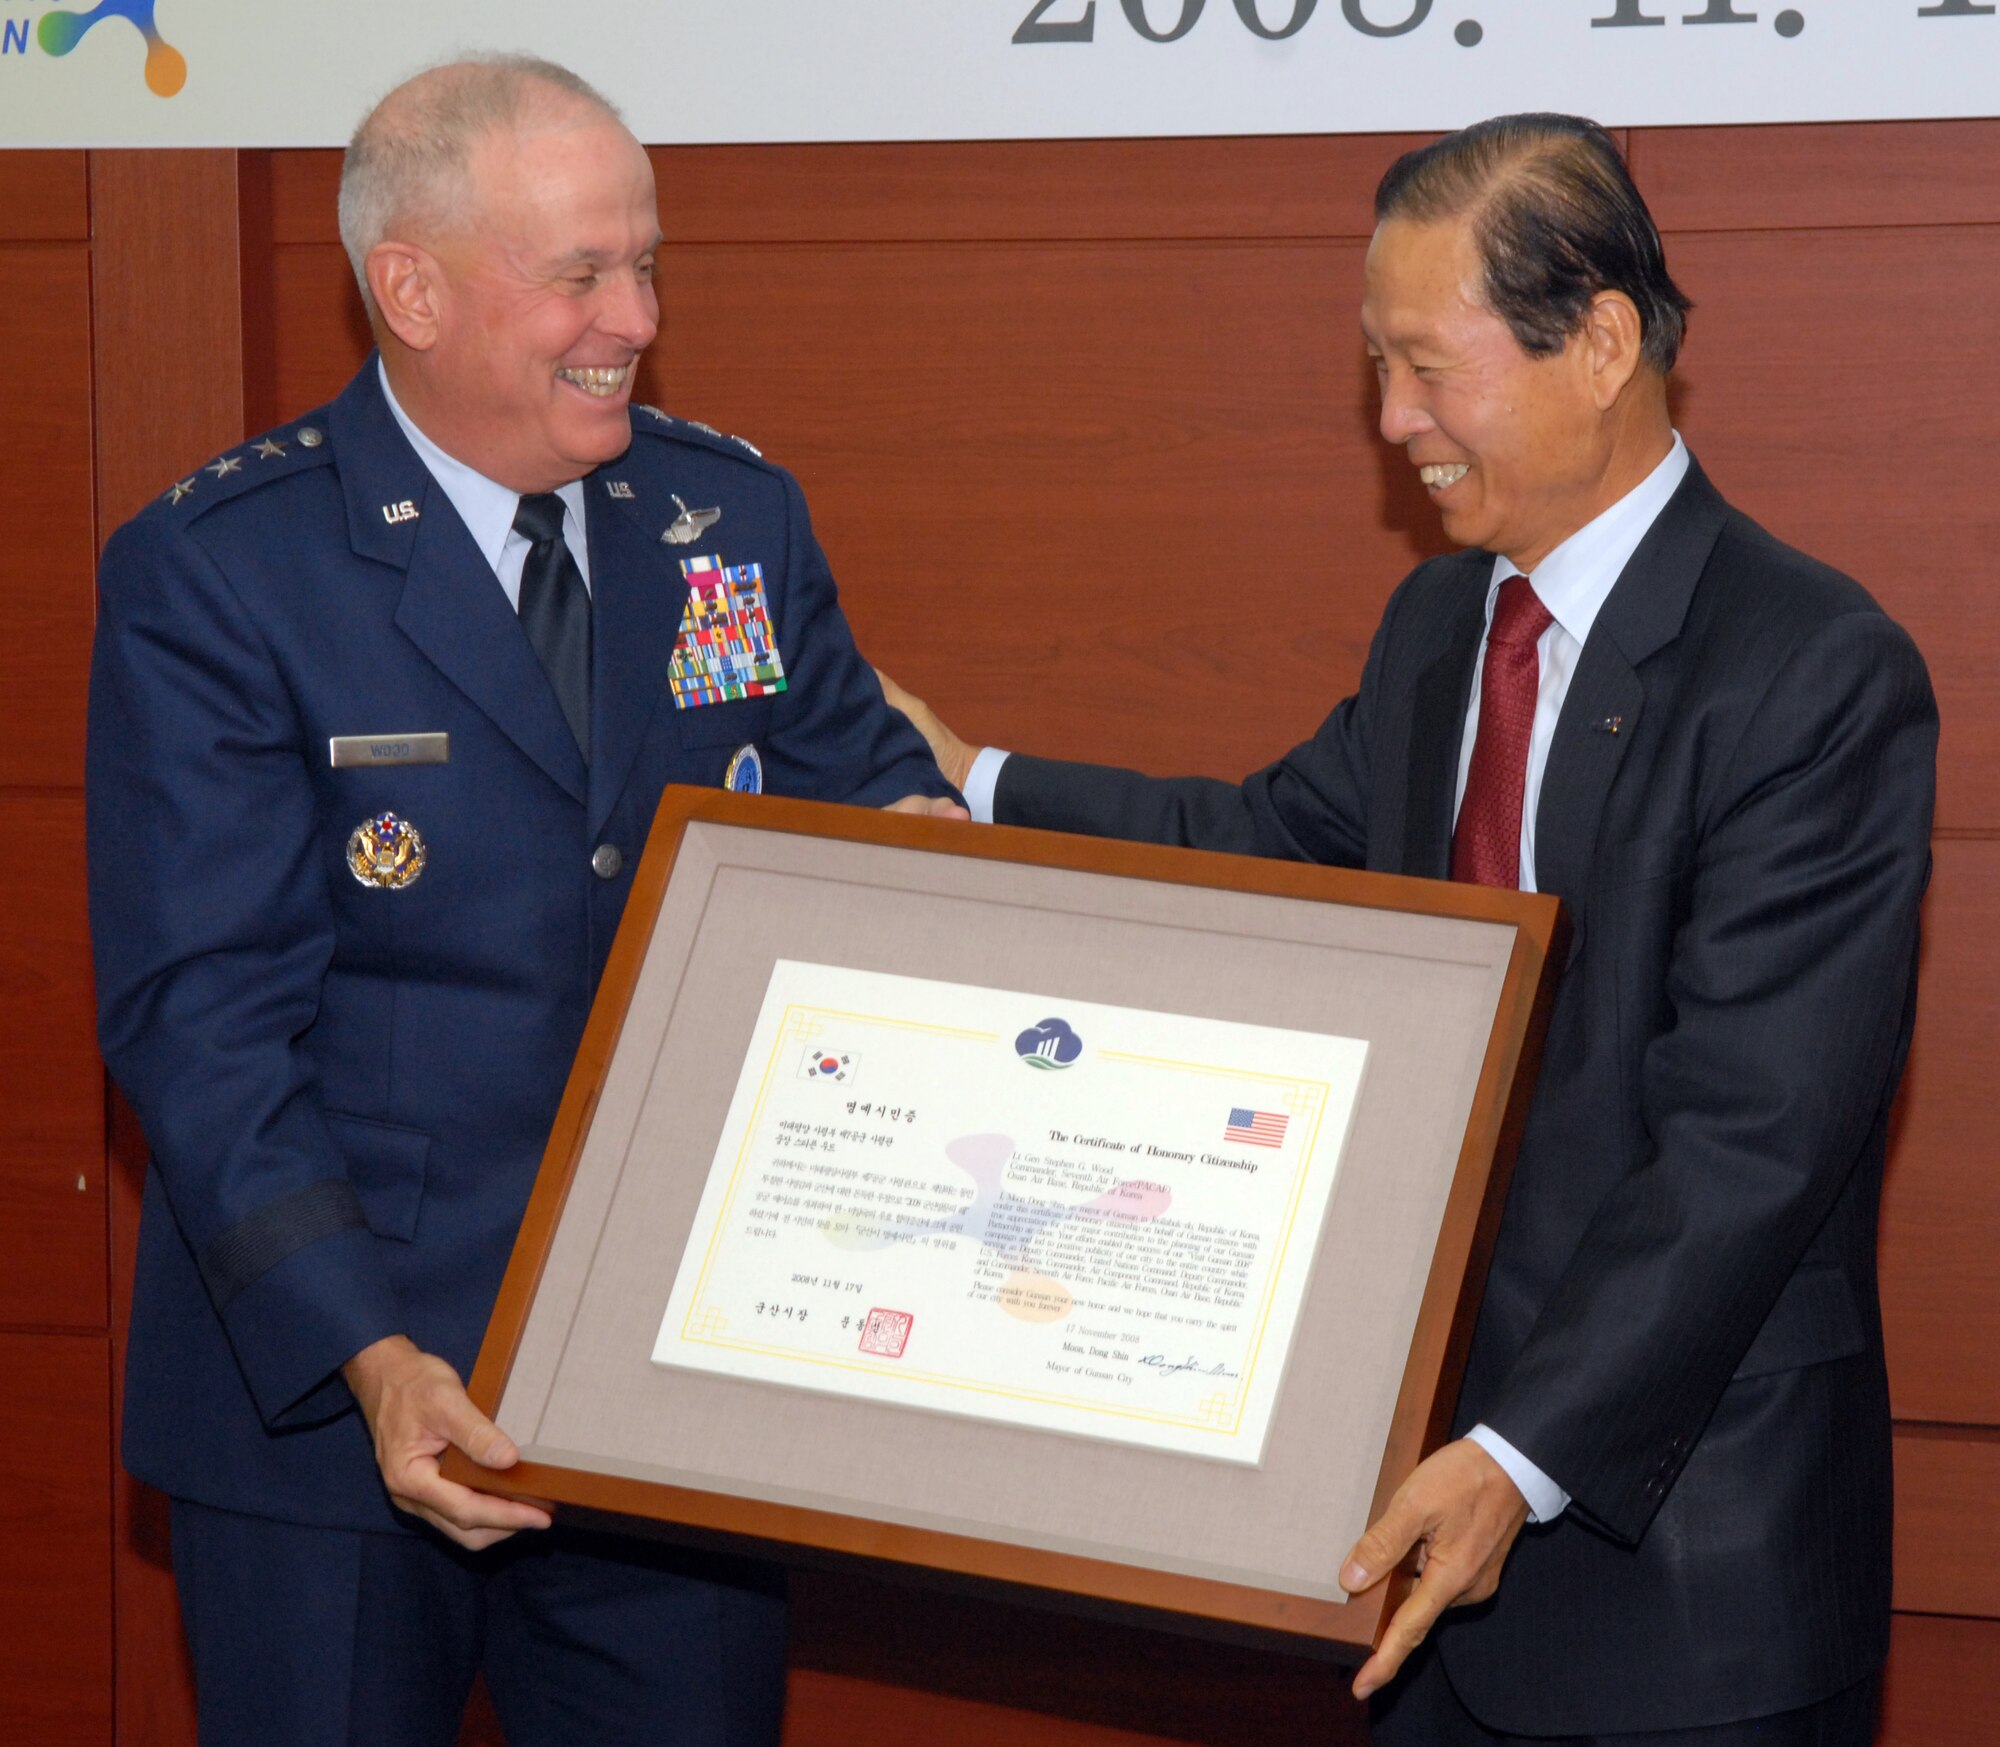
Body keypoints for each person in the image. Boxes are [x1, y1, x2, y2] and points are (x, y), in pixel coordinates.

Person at [881, 114, 1934, 1745]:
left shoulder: (1811, 673)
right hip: (1421, 1557)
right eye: (1378, 367)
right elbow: (1267, 840)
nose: (1393, 423)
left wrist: (1514, 1457)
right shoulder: (1446, 621)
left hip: (1684, 1570)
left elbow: (1751, 1145)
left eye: (1429, 369)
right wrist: (981, 781)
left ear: (1597, 342)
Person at [86, 54, 957, 1747]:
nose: (632, 315)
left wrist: (959, 885)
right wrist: (373, 1353)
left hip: (670, 1400)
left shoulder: (730, 519)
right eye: (579, 275)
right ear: (406, 288)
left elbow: (870, 822)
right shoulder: (222, 573)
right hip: (335, 1410)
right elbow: (202, 1026)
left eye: (644, 264)